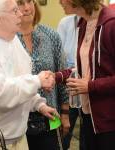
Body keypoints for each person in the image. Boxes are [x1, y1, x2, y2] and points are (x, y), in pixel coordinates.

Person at [0, 0, 59, 149]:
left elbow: (19, 79)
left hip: (17, 136)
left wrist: (38, 104)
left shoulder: (10, 37)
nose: (21, 13)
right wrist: (37, 81)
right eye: (15, 10)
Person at [58, 0, 115, 149]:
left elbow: (91, 80)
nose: (59, 2)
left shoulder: (111, 24)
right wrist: (57, 76)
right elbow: (85, 69)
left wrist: (91, 86)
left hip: (109, 121)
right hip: (89, 114)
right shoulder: (84, 24)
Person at [16, 0, 70, 150]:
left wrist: (65, 113)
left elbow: (63, 75)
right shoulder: (9, 39)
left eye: (30, 2)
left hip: (50, 118)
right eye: (20, 3)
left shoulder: (51, 36)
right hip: (18, 122)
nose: (27, 8)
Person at [57, 15, 84, 150]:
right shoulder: (65, 23)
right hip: (68, 87)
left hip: (89, 91)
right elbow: (60, 56)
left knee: (87, 140)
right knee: (64, 137)